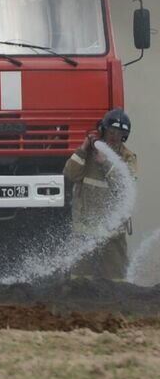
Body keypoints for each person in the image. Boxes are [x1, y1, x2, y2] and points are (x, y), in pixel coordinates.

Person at [65, 108, 137, 281]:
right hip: (85, 225)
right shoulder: (88, 152)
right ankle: (78, 304)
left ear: (124, 136)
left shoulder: (128, 158)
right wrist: (83, 149)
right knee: (79, 277)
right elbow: (70, 174)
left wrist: (106, 164)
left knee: (117, 278)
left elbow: (125, 188)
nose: (114, 137)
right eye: (111, 131)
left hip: (112, 230)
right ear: (103, 130)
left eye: (119, 133)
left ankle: (117, 306)